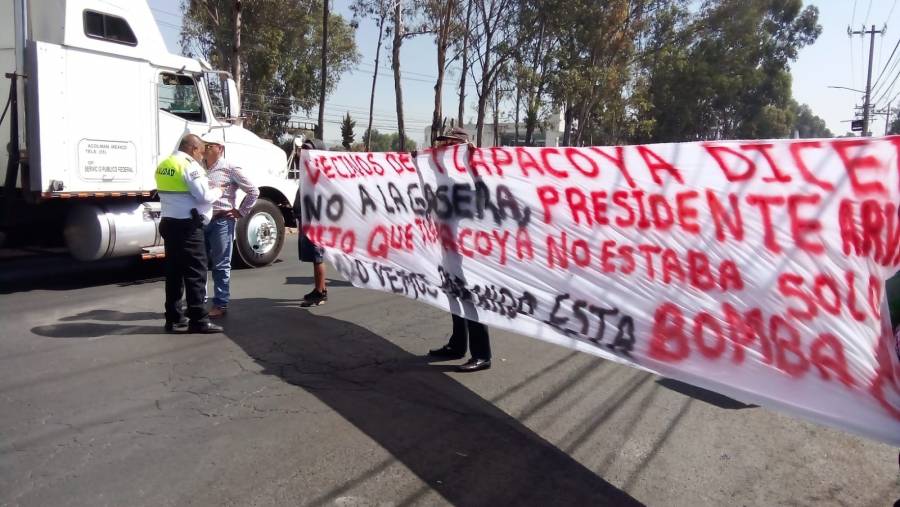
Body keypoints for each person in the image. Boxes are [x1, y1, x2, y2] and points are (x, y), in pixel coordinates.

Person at [425, 127, 493, 372]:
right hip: (448, 248)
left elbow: (484, 198)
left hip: (468, 251)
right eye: (444, 144)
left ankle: (482, 354)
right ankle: (457, 344)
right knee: (454, 296)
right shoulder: (447, 177)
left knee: (470, 299)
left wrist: (472, 162)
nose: (445, 148)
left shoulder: (471, 175)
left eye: (451, 144)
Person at [155, 134, 223, 334]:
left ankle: (174, 318)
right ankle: (199, 320)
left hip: (169, 223)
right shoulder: (189, 166)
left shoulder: (164, 164)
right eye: (201, 152)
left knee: (174, 274)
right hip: (188, 227)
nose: (202, 157)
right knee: (196, 274)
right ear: (193, 149)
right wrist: (219, 190)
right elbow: (204, 196)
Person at [200, 131, 259, 318]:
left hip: (221, 222)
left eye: (209, 145)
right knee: (200, 263)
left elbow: (253, 191)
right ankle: (199, 302)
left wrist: (241, 212)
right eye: (204, 144)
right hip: (201, 221)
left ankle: (220, 303)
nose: (205, 148)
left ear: (220, 148)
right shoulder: (198, 167)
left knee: (220, 264)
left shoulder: (230, 168)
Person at [292, 138, 330, 307]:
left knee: (317, 257)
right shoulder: (308, 171)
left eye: (308, 151)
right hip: (308, 219)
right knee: (315, 257)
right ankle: (321, 289)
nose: (303, 154)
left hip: (316, 221)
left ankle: (320, 293)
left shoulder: (320, 174)